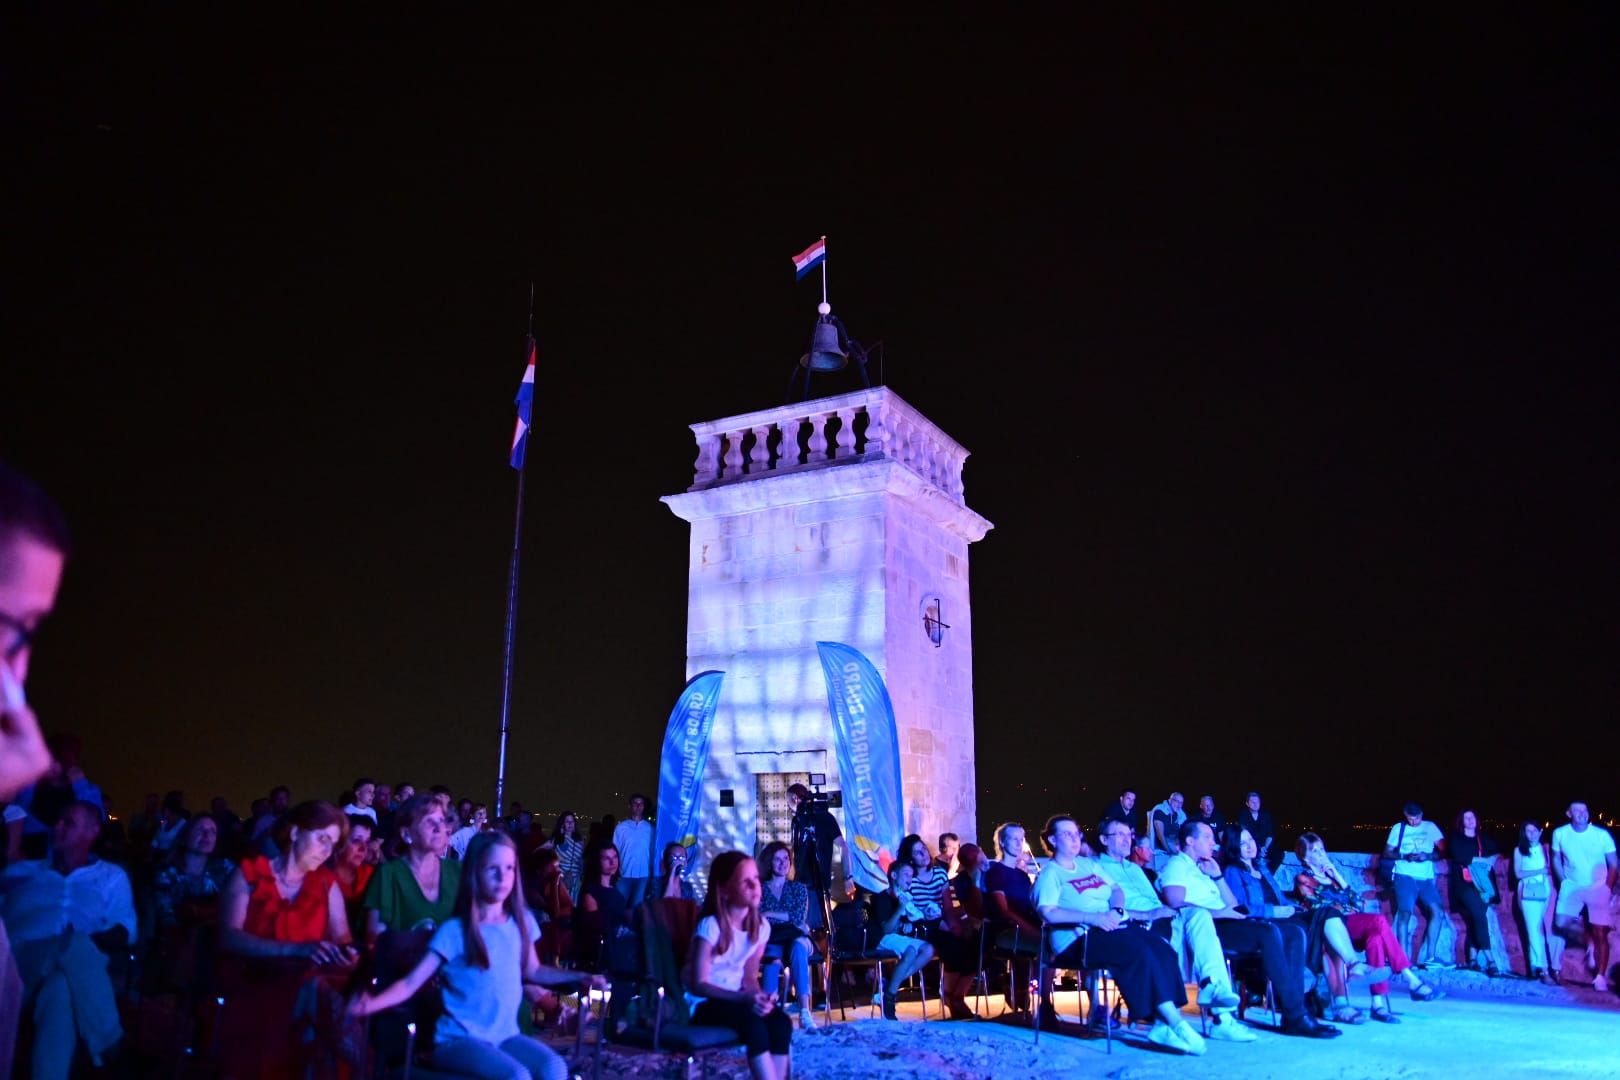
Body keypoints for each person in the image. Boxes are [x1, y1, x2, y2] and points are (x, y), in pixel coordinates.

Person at [349, 832, 597, 1080]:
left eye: (509, 868)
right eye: (493, 869)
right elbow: (411, 982)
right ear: (475, 873)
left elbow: (533, 970)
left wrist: (580, 976)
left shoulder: (521, 922)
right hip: (459, 1039)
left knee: (554, 1067)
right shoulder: (456, 930)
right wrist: (371, 1004)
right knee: (516, 1075)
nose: (502, 877)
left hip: (504, 1036)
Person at [1032, 814, 1205, 1054]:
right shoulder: (1051, 873)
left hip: (1109, 925)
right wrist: (1093, 918)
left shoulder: (1088, 865)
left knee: (1160, 947)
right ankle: (1174, 1022)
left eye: (1076, 833)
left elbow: (1115, 890)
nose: (1074, 838)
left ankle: (1162, 1023)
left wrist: (1117, 910)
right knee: (1138, 951)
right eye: (1067, 834)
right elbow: (1048, 912)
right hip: (1077, 938)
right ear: (1052, 840)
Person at [1160, 820, 1337, 1039]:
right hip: (1209, 926)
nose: (1213, 842)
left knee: (1293, 932)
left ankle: (1296, 1012)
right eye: (1207, 837)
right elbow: (1174, 901)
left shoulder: (1204, 867)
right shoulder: (1177, 864)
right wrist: (1218, 913)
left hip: (1228, 920)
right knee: (1268, 932)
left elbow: (1233, 904)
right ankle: (1296, 1015)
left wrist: (1217, 876)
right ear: (1190, 840)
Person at [0, 799, 135, 1080]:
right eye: (58, 821)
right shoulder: (19, 874)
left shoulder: (111, 877)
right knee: (74, 944)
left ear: (93, 831)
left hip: (76, 971)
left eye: (68, 823)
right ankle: (111, 1043)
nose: (57, 827)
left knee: (60, 987)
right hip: (18, 967)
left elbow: (124, 928)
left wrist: (92, 945)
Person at [1296, 831, 1445, 1022]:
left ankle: (1378, 1004)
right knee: (1379, 920)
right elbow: (1318, 907)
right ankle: (1411, 979)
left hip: (1351, 924)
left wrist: (1338, 876)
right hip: (1331, 928)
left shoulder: (1332, 878)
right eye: (1314, 851)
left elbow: (1359, 904)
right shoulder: (1303, 879)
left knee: (1376, 937)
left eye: (1322, 849)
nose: (1321, 854)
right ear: (1304, 857)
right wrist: (1345, 908)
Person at [683, 850, 792, 1080]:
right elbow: (698, 984)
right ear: (724, 890)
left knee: (780, 1022)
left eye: (756, 879)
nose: (755, 886)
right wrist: (743, 999)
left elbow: (749, 978)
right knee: (754, 1026)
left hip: (737, 998)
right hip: (702, 1003)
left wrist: (760, 997)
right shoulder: (711, 926)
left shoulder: (760, 927)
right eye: (745, 881)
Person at [896, 833, 976, 1019]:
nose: (923, 854)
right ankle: (950, 996)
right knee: (950, 947)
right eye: (917, 852)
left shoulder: (939, 874)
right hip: (921, 926)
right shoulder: (910, 878)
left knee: (970, 946)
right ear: (910, 858)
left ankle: (956, 995)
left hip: (941, 922)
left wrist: (953, 926)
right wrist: (933, 920)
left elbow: (947, 907)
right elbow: (909, 910)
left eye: (923, 849)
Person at [363, 794, 459, 945]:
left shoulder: (458, 871)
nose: (439, 828)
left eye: (441, 820)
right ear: (406, 834)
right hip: (402, 959)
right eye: (429, 821)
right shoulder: (388, 874)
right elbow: (375, 938)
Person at [1551, 799, 1617, 992]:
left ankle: (1600, 977)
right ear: (1569, 814)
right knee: (1560, 923)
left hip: (1598, 887)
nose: (1582, 813)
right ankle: (1587, 938)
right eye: (1577, 810)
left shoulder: (1601, 835)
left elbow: (1614, 864)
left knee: (1601, 933)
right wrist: (1563, 881)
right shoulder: (1560, 833)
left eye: (1585, 810)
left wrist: (1607, 888)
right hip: (1572, 886)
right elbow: (1555, 858)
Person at [756, 840, 816, 1028]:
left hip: (797, 938)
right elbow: (757, 917)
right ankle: (769, 1013)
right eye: (777, 859)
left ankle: (804, 1011)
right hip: (773, 938)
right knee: (771, 954)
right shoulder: (760, 888)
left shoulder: (798, 888)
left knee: (798, 947)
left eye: (786, 859)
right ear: (769, 863)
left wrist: (769, 913)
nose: (783, 863)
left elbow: (798, 916)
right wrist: (785, 917)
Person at [1382, 801, 1449, 968]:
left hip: (1425, 878)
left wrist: (1427, 856)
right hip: (1404, 875)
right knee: (1404, 914)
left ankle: (1431, 958)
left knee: (1438, 912)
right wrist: (1404, 856)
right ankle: (1402, 960)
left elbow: (1444, 850)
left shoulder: (1430, 827)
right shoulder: (1398, 828)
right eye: (1410, 819)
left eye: (1416, 818)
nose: (1413, 822)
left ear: (1422, 815)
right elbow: (1387, 852)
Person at [869, 861, 938, 1021]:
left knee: (928, 949)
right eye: (906, 874)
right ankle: (890, 998)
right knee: (911, 951)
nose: (909, 879)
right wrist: (900, 909)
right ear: (894, 875)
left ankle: (889, 988)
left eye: (911, 876)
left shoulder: (906, 899)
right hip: (882, 938)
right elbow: (887, 929)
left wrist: (911, 923)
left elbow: (911, 922)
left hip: (897, 938)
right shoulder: (882, 898)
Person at [982, 821, 1039, 1013]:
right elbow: (1003, 909)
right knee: (1042, 942)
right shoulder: (996, 871)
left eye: (1021, 839)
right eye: (1013, 839)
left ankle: (1023, 986)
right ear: (1002, 842)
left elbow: (1031, 905)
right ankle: (1019, 986)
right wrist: (1029, 928)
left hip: (1023, 925)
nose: (1018, 843)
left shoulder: (1022, 876)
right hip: (1004, 928)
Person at [148, 812, 235, 937]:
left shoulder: (225, 868)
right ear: (185, 837)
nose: (207, 835)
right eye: (200, 830)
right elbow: (166, 918)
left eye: (212, 832)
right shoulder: (166, 875)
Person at [787, 782, 854, 924]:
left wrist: (848, 877)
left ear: (794, 798)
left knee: (816, 924)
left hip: (817, 884)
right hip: (801, 884)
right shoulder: (797, 821)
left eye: (789, 803)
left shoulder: (823, 817)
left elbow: (843, 847)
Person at [1447, 808, 1502, 975]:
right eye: (1466, 818)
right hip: (1464, 884)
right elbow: (1459, 857)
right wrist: (1483, 860)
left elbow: (1496, 852)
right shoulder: (1456, 838)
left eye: (1472, 817)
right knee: (1480, 917)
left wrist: (1490, 859)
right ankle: (1490, 959)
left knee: (1475, 919)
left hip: (1482, 884)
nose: (1470, 820)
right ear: (1461, 821)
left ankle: (1472, 959)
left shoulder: (1482, 838)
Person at [332, 815, 376, 940]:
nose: (363, 848)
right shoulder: (322, 877)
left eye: (367, 842)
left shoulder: (370, 875)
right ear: (339, 842)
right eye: (356, 840)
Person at [540, 810, 584, 904]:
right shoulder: (556, 840)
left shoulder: (580, 841)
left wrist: (582, 874)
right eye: (567, 821)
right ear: (562, 824)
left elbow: (580, 860)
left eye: (572, 821)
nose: (570, 824)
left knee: (573, 904)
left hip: (575, 879)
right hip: (560, 878)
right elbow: (540, 850)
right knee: (560, 904)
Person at [1235, 791, 1280, 873]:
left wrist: (1265, 848)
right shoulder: (1243, 815)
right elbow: (1244, 836)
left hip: (1265, 846)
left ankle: (1268, 874)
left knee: (1279, 854)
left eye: (1257, 802)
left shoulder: (1266, 815)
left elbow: (1270, 835)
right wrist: (1258, 848)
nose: (1255, 804)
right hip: (1251, 845)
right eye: (1252, 802)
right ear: (1247, 804)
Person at [1149, 792, 1186, 868]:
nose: (1179, 805)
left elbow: (1183, 832)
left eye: (1181, 803)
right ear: (1170, 800)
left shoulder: (1180, 814)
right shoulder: (1160, 811)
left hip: (1175, 844)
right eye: (1177, 801)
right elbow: (1160, 835)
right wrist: (1170, 852)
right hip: (1161, 847)